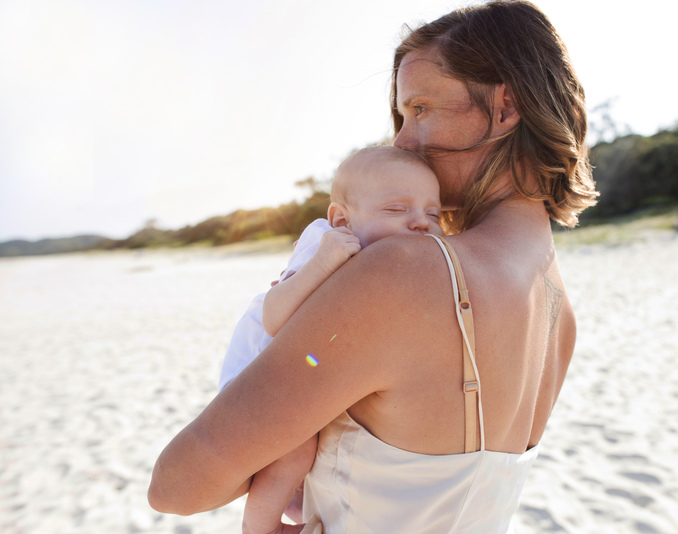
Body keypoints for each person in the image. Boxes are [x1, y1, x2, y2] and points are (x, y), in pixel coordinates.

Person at [148, 2, 599, 533]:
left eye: (421, 107)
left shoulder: (405, 272)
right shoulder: (559, 316)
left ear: (506, 107)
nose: (403, 140)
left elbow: (177, 485)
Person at [216, 145, 444, 534]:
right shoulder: (327, 243)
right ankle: (261, 529)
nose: (421, 222)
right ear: (341, 219)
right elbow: (273, 317)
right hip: (256, 374)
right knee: (295, 453)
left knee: (310, 456)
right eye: (396, 209)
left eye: (434, 213)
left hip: (299, 373)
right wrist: (322, 263)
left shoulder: (395, 260)